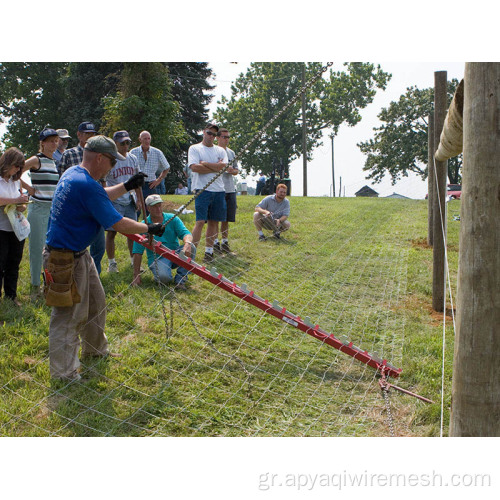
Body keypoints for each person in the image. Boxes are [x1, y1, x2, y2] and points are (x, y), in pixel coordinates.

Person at [43, 135, 161, 381]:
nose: (113, 166)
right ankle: (63, 373)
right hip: (64, 259)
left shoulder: (76, 174)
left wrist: (127, 186)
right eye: (111, 161)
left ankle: (95, 350)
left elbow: (100, 195)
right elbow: (117, 223)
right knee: (67, 316)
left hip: (78, 254)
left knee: (96, 301)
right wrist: (148, 228)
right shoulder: (85, 184)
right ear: (99, 158)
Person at [58, 121, 105, 274]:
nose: (90, 137)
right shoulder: (69, 154)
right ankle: (74, 276)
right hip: (75, 207)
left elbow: (103, 180)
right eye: (87, 134)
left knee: (99, 246)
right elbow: (61, 181)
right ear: (79, 135)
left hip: (95, 205)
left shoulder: (100, 155)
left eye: (92, 134)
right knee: (76, 246)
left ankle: (94, 275)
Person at [22, 128, 60, 295]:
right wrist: (28, 188)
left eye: (56, 140)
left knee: (50, 250)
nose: (54, 143)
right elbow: (16, 171)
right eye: (50, 140)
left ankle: (48, 284)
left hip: (51, 211)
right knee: (37, 249)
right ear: (42, 143)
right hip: (37, 209)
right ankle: (34, 287)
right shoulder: (36, 160)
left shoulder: (53, 162)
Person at [132, 194, 195, 289]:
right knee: (164, 279)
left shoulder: (172, 219)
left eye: (159, 205)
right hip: (157, 258)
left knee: (192, 247)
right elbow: (137, 252)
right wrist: (136, 275)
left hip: (175, 254)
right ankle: (163, 274)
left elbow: (186, 234)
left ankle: (180, 280)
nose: (158, 209)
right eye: (154, 207)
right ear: (148, 208)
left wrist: (187, 244)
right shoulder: (143, 226)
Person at [187, 123, 228, 263]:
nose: (211, 136)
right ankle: (191, 254)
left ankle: (208, 253)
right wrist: (215, 167)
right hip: (202, 189)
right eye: (209, 133)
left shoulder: (221, 151)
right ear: (204, 132)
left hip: (218, 190)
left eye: (214, 134)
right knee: (199, 222)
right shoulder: (195, 148)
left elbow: (224, 168)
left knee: (213, 222)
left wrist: (205, 163)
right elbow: (194, 168)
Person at [105, 130, 140, 273]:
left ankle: (133, 261)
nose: (125, 146)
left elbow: (138, 180)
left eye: (127, 143)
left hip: (130, 199)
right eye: (122, 143)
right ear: (115, 144)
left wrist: (139, 199)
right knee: (112, 233)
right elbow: (104, 181)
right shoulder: (111, 160)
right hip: (115, 200)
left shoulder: (133, 159)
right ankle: (112, 263)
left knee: (132, 232)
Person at [0, 148, 29, 307]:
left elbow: (21, 201)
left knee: (14, 263)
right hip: (1, 228)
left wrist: (22, 205)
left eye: (20, 167)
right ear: (7, 162)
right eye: (16, 165)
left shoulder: (16, 181)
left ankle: (11, 296)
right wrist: (15, 199)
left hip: (15, 228)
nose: (18, 169)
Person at [213, 128, 239, 255]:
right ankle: (214, 242)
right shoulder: (212, 151)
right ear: (217, 138)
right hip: (217, 189)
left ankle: (225, 242)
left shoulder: (231, 153)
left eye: (228, 137)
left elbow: (236, 170)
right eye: (224, 137)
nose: (226, 139)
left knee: (227, 218)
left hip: (230, 189)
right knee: (215, 218)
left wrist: (231, 170)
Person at [130, 130, 170, 200]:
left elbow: (167, 167)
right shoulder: (133, 152)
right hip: (136, 185)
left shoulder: (157, 152)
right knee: (136, 209)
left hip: (151, 185)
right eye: (145, 139)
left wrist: (158, 180)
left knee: (151, 209)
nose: (147, 141)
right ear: (140, 139)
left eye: (149, 139)